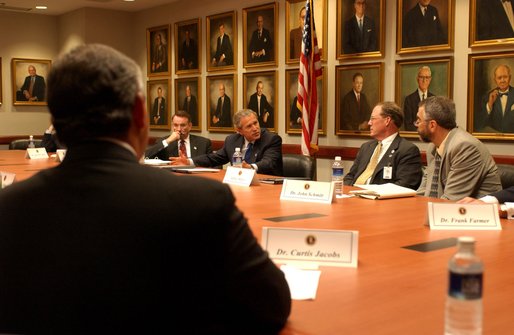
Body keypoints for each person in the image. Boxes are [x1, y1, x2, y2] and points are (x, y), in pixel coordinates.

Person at [0, 44, 291, 334]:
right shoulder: (200, 202)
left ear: (55, 121)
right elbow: (270, 305)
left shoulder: (8, 207)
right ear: (139, 112)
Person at [415, 96, 502, 200]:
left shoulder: (466, 147)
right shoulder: (433, 147)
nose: (416, 125)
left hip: (477, 214)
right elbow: (424, 192)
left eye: (418, 120)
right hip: (447, 211)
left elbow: (451, 200)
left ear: (432, 125)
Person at [173, 109, 283, 176]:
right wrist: (188, 161)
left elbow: (269, 163)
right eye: (249, 126)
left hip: (266, 185)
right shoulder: (232, 140)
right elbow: (214, 158)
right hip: (240, 183)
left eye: (256, 123)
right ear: (239, 131)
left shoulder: (271, 139)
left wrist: (250, 167)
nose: (255, 128)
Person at [344, 101, 422, 189]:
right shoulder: (365, 147)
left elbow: (404, 186)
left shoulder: (407, 150)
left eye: (373, 118)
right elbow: (350, 177)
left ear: (387, 121)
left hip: (380, 200)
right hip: (353, 198)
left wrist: (368, 193)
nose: (369, 123)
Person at [145, 110, 211, 161]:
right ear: (172, 126)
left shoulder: (204, 143)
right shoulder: (164, 142)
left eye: (183, 125)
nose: (179, 129)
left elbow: (216, 166)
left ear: (190, 126)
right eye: (176, 125)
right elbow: (146, 157)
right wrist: (168, 141)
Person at [477, 64, 514, 133]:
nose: (502, 80)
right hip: (494, 140)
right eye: (499, 78)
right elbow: (480, 125)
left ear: (510, 78)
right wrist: (490, 104)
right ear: (495, 80)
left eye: (505, 77)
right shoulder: (487, 97)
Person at [403, 66, 435, 131]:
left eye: (427, 77)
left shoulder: (434, 100)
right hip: (414, 138)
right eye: (421, 77)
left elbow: (435, 123)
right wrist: (423, 130)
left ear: (430, 79)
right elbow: (408, 125)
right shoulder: (409, 100)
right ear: (417, 79)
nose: (424, 80)